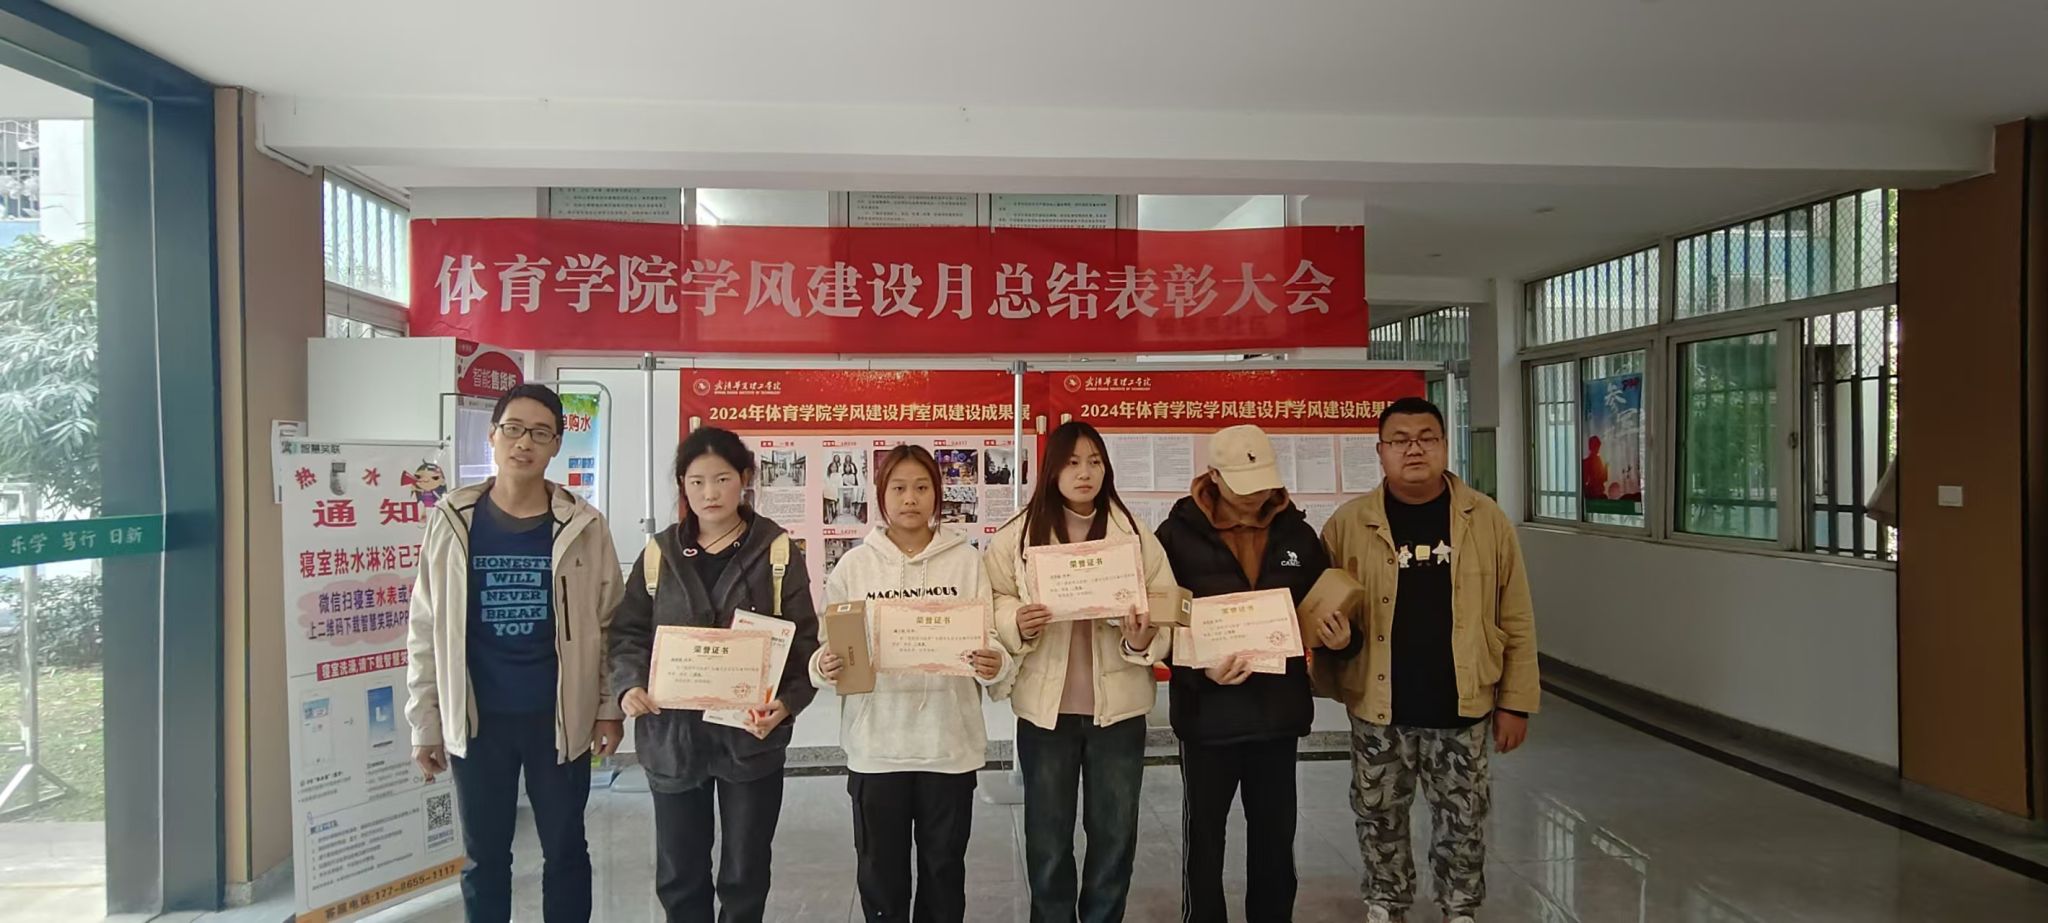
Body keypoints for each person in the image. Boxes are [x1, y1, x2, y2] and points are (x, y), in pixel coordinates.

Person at [404, 383, 625, 923]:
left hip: (559, 718)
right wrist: (425, 721)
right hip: (477, 719)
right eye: (514, 429)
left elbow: (609, 624)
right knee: (484, 857)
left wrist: (607, 708)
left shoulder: (583, 524)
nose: (524, 443)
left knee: (566, 851)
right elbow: (426, 627)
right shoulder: (453, 519)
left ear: (556, 445)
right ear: (492, 435)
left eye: (540, 433)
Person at [1317, 397, 1539, 923]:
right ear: (1380, 451)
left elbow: (1516, 615)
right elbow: (1322, 609)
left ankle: (1459, 907)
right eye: (1399, 440)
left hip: (1461, 702)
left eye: (1426, 438)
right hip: (1379, 704)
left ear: (1444, 444)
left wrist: (1516, 703)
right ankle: (1385, 902)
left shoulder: (1486, 520)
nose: (1413, 449)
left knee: (1464, 817)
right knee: (1378, 814)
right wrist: (1331, 646)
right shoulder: (1349, 524)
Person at [608, 426, 821, 923]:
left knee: (745, 870)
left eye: (722, 479)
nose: (710, 493)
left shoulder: (777, 551)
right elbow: (628, 633)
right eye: (696, 481)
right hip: (672, 738)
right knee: (679, 872)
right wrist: (629, 684)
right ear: (682, 485)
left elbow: (803, 642)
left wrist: (787, 703)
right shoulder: (659, 554)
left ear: (745, 479)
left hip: (750, 735)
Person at [810, 444, 1014, 923]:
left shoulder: (966, 562)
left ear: (937, 494)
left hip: (949, 745)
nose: (910, 498)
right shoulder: (855, 567)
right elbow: (828, 645)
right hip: (876, 747)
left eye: (922, 487)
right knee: (881, 875)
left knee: (944, 872)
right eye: (899, 488)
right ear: (881, 495)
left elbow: (989, 638)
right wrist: (824, 665)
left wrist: (996, 662)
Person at [1154, 424, 1348, 923]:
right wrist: (1199, 670)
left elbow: (1322, 611)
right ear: (1214, 476)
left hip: (1277, 714)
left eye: (1263, 481)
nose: (1256, 494)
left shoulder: (1297, 534)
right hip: (1207, 716)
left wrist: (1341, 637)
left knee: (1275, 839)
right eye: (1243, 483)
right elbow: (1161, 628)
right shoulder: (1175, 537)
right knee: (1204, 839)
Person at [986, 420, 1176, 923]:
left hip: (1119, 713)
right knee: (1047, 839)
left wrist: (1142, 637)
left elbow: (1164, 605)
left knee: (1114, 836)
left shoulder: (1133, 535)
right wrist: (1015, 620)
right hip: (1045, 713)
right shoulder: (1018, 535)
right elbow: (993, 598)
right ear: (1052, 470)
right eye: (1072, 463)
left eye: (1094, 462)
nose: (1084, 473)